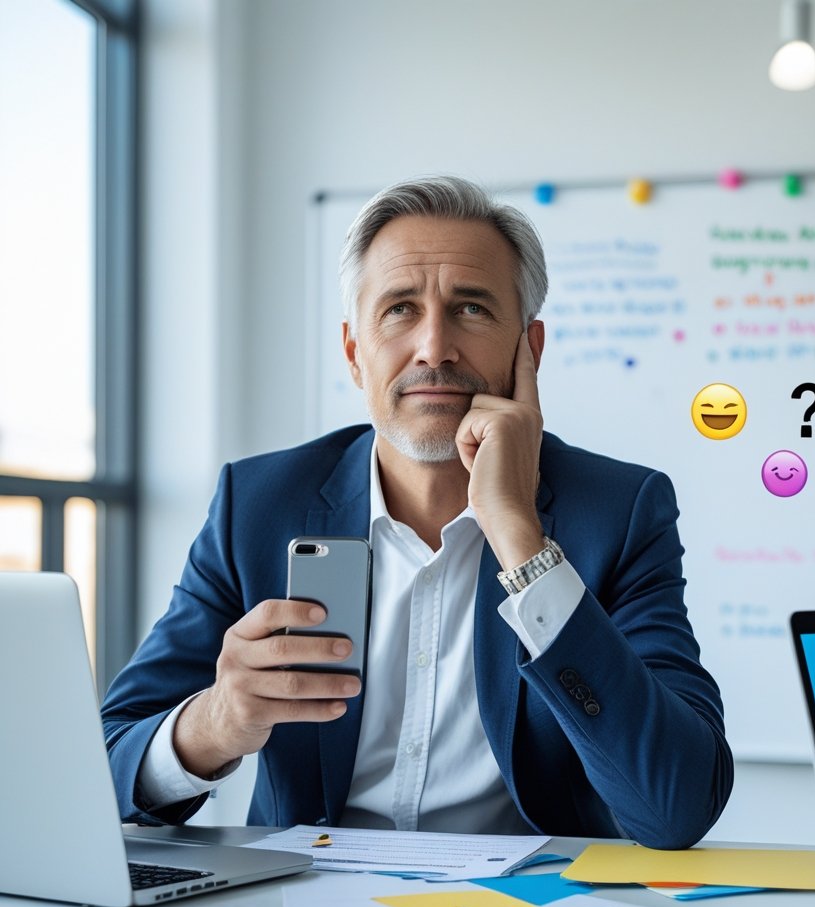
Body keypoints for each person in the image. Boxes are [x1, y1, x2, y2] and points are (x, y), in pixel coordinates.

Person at [101, 176, 733, 849]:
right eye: (400, 309)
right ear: (354, 352)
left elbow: (676, 807)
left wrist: (521, 536)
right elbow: (104, 769)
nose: (434, 347)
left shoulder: (620, 512)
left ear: (531, 349)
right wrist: (215, 724)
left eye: (471, 309)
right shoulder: (257, 505)